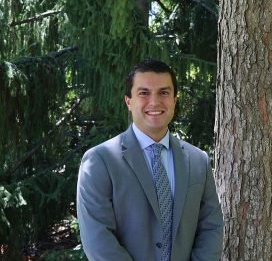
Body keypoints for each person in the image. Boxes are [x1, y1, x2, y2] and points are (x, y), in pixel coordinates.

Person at [76, 58, 224, 261]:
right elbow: (98, 239)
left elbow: (211, 226)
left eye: (164, 92)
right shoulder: (99, 161)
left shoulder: (198, 161)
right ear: (128, 101)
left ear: (174, 100)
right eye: (144, 93)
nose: (154, 102)